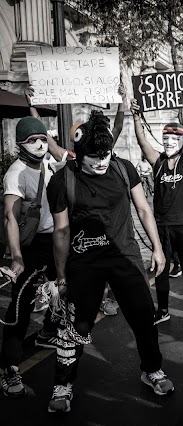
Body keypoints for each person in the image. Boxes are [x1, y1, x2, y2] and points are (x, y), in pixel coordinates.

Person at [46, 110, 173, 413]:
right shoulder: (63, 181)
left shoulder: (123, 168)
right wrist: (62, 278)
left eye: (106, 154)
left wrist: (157, 249)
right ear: (79, 154)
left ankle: (152, 369)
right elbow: (61, 232)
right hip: (84, 261)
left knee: (143, 316)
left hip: (124, 257)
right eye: (94, 157)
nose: (102, 161)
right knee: (77, 325)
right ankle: (63, 384)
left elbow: (143, 209)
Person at [0, 116, 66, 397]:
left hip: (55, 241)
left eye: (42, 139)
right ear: (20, 144)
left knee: (60, 290)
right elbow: (10, 218)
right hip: (31, 245)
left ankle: (47, 333)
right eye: (32, 140)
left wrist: (33, 110)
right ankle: (9, 368)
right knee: (20, 304)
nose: (40, 144)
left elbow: (65, 156)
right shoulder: (16, 173)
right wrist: (16, 256)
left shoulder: (50, 164)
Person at [131, 97, 183, 330]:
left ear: (182, 142)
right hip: (161, 225)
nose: (167, 143)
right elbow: (142, 142)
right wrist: (136, 116)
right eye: (165, 139)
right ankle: (162, 310)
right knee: (161, 268)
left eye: (173, 139)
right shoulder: (158, 162)